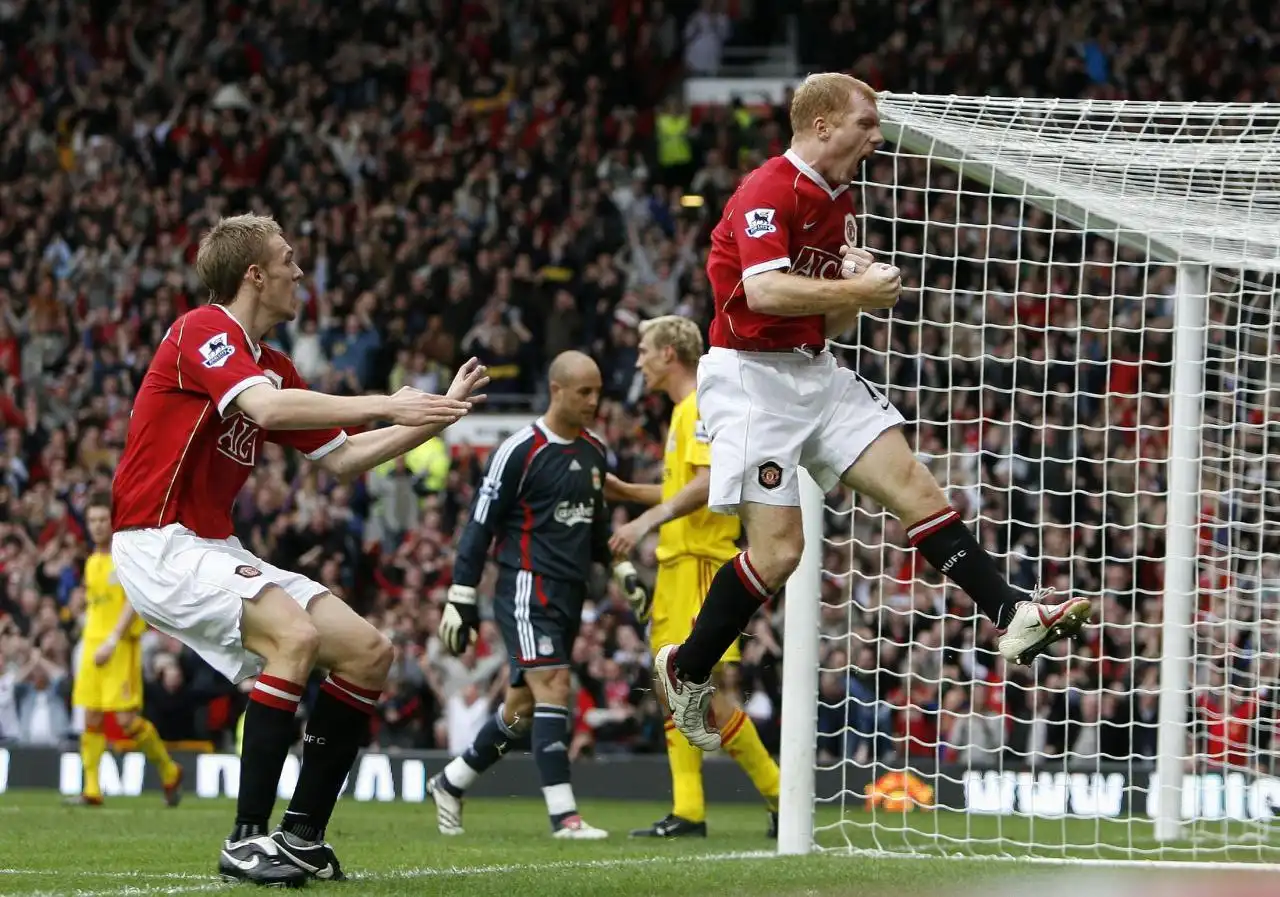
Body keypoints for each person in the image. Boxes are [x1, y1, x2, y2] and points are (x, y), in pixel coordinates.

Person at [653, 74, 1092, 751]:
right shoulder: (768, 188)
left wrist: (850, 288)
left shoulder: (840, 201)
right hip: (751, 381)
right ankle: (686, 666)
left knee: (915, 484)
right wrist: (856, 287)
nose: (877, 137)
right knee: (780, 553)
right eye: (866, 123)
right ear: (823, 125)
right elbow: (764, 293)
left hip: (813, 370)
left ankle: (1011, 612)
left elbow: (826, 317)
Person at [109, 213, 488, 885]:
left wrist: (436, 415)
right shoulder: (203, 329)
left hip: (208, 544)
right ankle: (246, 838)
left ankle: (302, 835)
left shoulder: (272, 366)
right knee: (295, 634)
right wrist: (386, 402)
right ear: (255, 274)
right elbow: (267, 411)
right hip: (157, 540)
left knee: (369, 652)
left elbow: (346, 459)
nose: (299, 272)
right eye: (288, 260)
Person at [429, 350, 649, 840]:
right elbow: (480, 523)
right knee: (555, 686)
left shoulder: (594, 451)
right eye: (584, 392)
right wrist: (461, 593)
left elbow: (595, 528)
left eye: (598, 392)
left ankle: (450, 782)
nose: (593, 401)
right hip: (527, 586)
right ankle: (565, 817)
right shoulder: (519, 450)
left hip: (570, 593)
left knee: (521, 710)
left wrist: (622, 568)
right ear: (556, 390)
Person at [606, 316, 781, 838]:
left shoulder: (700, 404)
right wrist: (626, 492)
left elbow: (709, 482)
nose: (638, 360)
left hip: (702, 563)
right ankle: (688, 810)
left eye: (644, 350)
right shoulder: (683, 410)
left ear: (668, 354)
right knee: (672, 688)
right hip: (677, 565)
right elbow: (680, 488)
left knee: (708, 691)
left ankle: (783, 796)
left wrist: (644, 520)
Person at [67, 492, 183, 808]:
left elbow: (134, 600)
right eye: (92, 520)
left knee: (127, 721)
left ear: (113, 521)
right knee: (90, 715)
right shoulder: (92, 561)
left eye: (102, 519)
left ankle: (169, 770)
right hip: (92, 645)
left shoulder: (126, 556)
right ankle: (92, 789)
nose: (97, 526)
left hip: (120, 647)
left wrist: (112, 639)